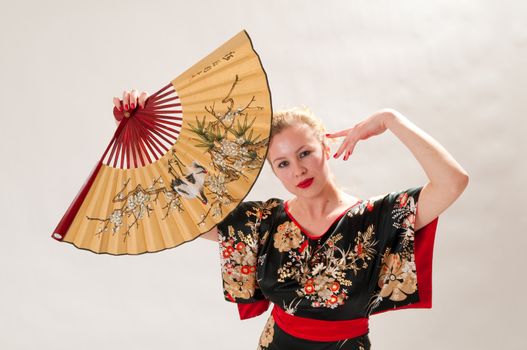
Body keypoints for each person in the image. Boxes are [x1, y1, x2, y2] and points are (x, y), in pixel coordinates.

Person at [114, 89, 469, 349]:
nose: (297, 169)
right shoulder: (264, 222)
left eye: (305, 153)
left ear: (326, 149)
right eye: (283, 163)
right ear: (274, 171)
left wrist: (391, 119)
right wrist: (147, 129)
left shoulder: (374, 219)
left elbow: (453, 182)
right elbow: (181, 210)